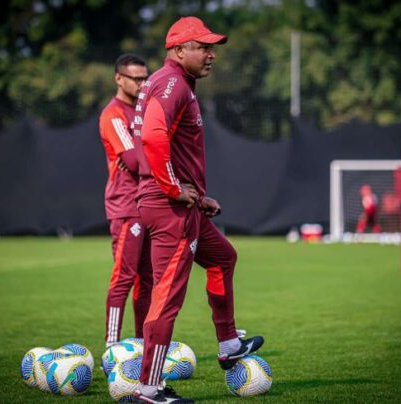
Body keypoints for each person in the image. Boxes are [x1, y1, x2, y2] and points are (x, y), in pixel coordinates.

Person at [131, 17, 264, 403]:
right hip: (167, 206)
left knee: (223, 257)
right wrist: (175, 189)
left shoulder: (175, 83)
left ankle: (227, 343)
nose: (211, 55)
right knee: (166, 298)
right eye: (202, 47)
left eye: (212, 48)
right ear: (177, 50)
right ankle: (149, 389)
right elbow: (153, 138)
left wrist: (196, 196)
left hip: (179, 204)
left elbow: (164, 144)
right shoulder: (172, 83)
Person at [99, 54, 153, 347]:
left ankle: (142, 344)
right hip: (126, 207)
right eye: (136, 78)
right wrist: (145, 154)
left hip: (148, 205)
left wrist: (143, 154)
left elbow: (144, 154)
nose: (143, 84)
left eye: (145, 78)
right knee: (124, 277)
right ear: (118, 78)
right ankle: (111, 347)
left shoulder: (144, 112)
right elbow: (133, 161)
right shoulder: (113, 114)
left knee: (148, 280)